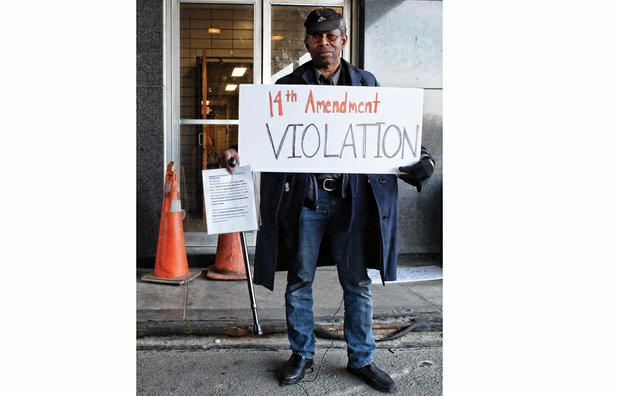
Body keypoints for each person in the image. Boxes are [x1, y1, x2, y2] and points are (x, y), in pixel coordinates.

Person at [222, 8, 433, 393]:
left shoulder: (366, 84)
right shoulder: (287, 87)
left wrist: (423, 157)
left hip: (352, 201)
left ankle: (362, 358)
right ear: (307, 43)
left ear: (343, 40)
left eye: (332, 36)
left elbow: (389, 128)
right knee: (299, 280)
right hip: (308, 199)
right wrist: (238, 152)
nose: (325, 43)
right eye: (317, 37)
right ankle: (301, 353)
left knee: (356, 282)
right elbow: (265, 134)